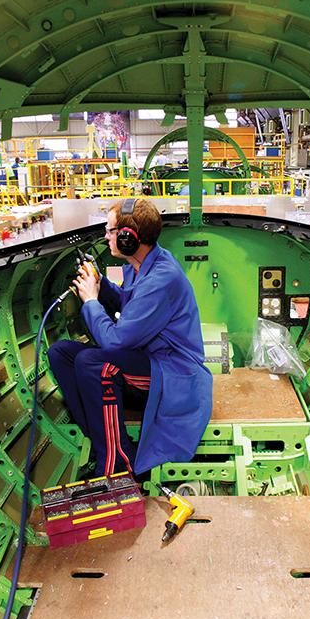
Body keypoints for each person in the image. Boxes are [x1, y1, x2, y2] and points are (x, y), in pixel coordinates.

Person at [47, 198, 212, 478]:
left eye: (110, 231)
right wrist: (102, 284)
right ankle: (102, 438)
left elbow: (116, 341)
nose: (106, 237)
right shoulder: (142, 265)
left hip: (173, 373)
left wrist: (90, 301)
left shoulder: (162, 277)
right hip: (148, 360)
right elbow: (129, 303)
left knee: (92, 363)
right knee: (60, 353)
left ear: (128, 239)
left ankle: (117, 465)